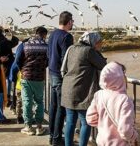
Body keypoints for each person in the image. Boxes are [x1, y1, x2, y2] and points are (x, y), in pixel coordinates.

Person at [61, 31, 107, 146]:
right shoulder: (89, 51)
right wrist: (97, 52)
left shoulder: (71, 48)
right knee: (86, 122)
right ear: (92, 41)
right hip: (82, 92)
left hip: (68, 90)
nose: (100, 45)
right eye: (98, 42)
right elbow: (103, 65)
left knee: (70, 122)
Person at [86, 62, 138, 146]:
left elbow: (90, 118)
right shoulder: (125, 100)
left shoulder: (99, 94)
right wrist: (134, 136)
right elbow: (125, 130)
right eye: (123, 73)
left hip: (102, 141)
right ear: (120, 77)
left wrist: (104, 127)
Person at [13, 27, 48, 136]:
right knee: (39, 101)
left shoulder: (25, 44)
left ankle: (28, 126)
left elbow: (17, 60)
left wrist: (23, 70)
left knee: (27, 101)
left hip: (26, 77)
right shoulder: (46, 46)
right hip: (39, 78)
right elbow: (48, 61)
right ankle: (39, 127)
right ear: (44, 35)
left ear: (35, 33)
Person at [48, 11, 74, 145]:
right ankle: (57, 139)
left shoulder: (52, 34)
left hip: (51, 73)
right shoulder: (67, 36)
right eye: (72, 21)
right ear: (68, 22)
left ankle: (52, 136)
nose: (73, 23)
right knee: (61, 108)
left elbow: (49, 53)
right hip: (60, 74)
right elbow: (66, 59)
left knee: (53, 106)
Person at [0, 27, 19, 107]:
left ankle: (2, 96)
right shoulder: (4, 42)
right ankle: (7, 96)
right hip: (8, 63)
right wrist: (11, 33)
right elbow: (15, 41)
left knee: (2, 80)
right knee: (8, 80)